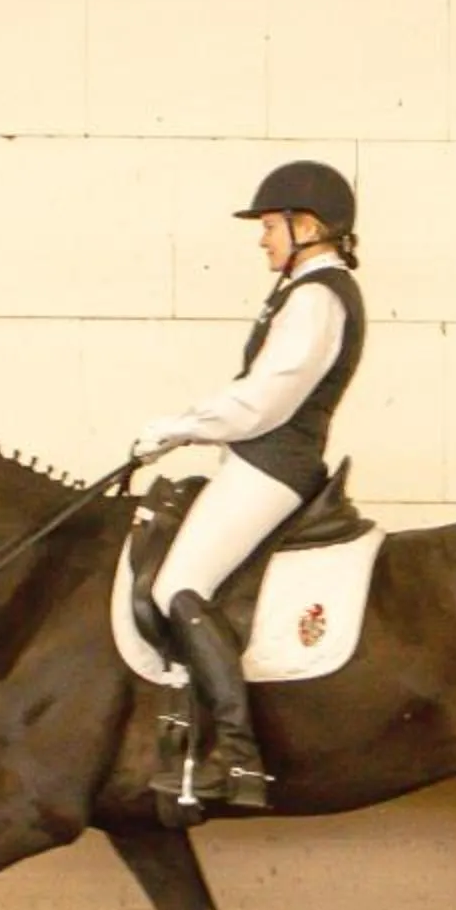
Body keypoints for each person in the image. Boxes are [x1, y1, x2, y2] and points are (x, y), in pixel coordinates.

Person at [129, 159, 367, 811]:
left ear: (307, 226)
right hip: (258, 462)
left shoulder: (317, 298)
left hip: (273, 465)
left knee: (178, 586)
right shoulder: (304, 291)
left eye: (269, 226)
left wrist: (176, 429)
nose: (262, 239)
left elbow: (263, 402)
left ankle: (237, 755)